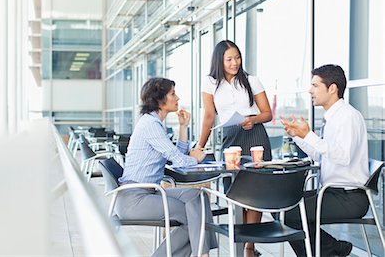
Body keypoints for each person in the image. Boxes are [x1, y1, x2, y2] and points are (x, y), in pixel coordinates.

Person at [116, 77, 218, 257]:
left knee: (198, 197)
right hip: (135, 199)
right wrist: (194, 159)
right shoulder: (150, 125)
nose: (177, 98)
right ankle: (202, 254)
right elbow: (178, 159)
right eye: (173, 94)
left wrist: (183, 128)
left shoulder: (155, 123)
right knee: (193, 217)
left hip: (150, 193)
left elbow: (175, 156)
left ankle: (202, 254)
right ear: (159, 100)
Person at [281, 64, 369, 257]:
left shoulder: (348, 116)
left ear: (332, 88)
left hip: (350, 198)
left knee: (289, 213)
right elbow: (320, 155)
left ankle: (330, 250)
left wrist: (309, 135)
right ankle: (333, 248)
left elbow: (343, 156)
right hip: (332, 193)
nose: (309, 90)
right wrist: (298, 136)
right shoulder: (333, 117)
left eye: (315, 85)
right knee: (282, 205)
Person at [197, 40, 272, 257]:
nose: (234, 63)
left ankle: (249, 247)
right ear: (219, 60)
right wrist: (200, 147)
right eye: (229, 59)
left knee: (256, 193)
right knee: (238, 192)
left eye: (237, 57)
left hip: (255, 135)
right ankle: (242, 241)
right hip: (231, 138)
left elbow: (267, 113)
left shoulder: (251, 80)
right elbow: (209, 117)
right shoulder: (210, 83)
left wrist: (253, 119)